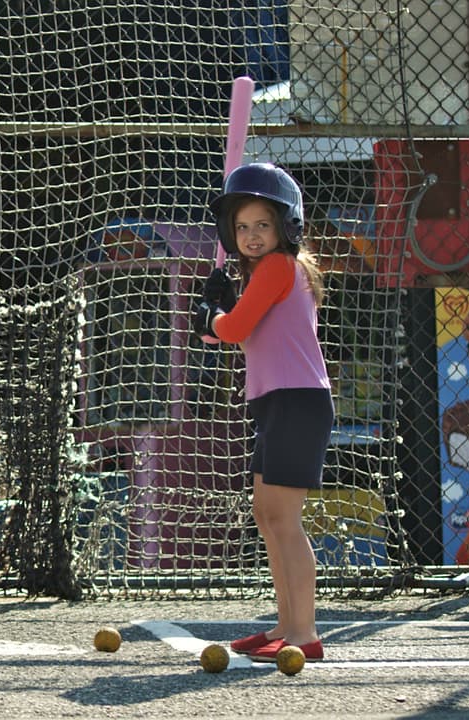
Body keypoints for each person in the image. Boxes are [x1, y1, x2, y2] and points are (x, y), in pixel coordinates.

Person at [193, 162, 332, 663]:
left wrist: (214, 316)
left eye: (263, 225)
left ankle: (304, 632)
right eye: (242, 226)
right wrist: (217, 314)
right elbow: (231, 333)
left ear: (286, 226)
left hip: (297, 401)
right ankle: (286, 624)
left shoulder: (278, 267)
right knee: (267, 515)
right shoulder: (264, 273)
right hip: (279, 401)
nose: (251, 235)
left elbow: (231, 331)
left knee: (284, 519)